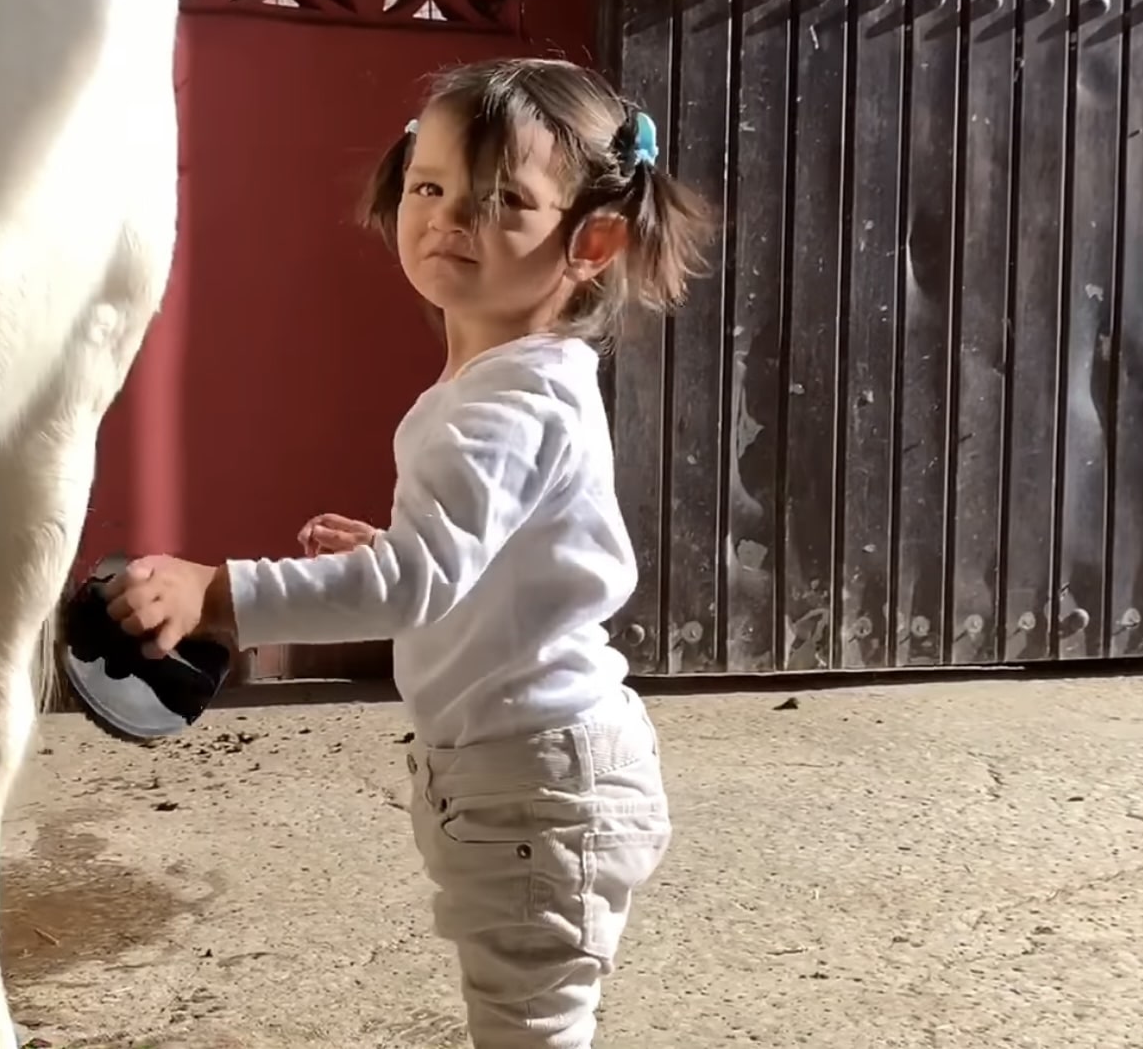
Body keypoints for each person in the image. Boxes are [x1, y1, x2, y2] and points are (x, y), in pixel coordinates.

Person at [105, 56, 717, 1048]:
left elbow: (415, 585)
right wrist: (401, 551)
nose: (449, 219)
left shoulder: (505, 407)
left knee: (527, 1029)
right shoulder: (521, 381)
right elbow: (463, 562)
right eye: (430, 187)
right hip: (526, 773)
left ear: (592, 239)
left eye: (502, 200)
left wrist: (219, 595)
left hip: (535, 788)